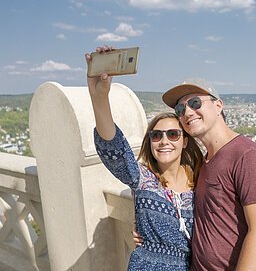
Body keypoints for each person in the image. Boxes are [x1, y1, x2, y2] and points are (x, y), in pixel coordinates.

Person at [86, 46, 204, 270]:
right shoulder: (142, 178)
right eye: (156, 135)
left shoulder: (201, 179)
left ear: (184, 140)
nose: (164, 141)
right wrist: (99, 97)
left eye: (173, 134)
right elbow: (114, 149)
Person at [162, 80, 256, 271]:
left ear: (218, 105)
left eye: (195, 103)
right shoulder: (204, 161)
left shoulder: (247, 156)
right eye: (180, 109)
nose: (187, 112)